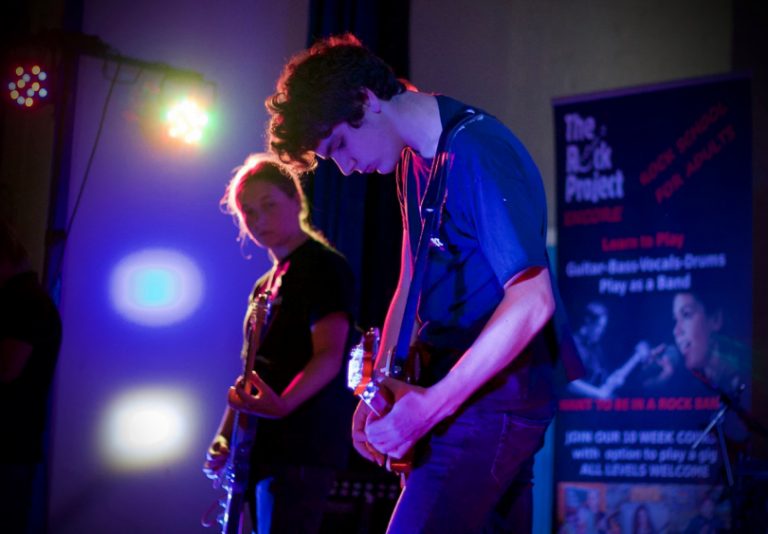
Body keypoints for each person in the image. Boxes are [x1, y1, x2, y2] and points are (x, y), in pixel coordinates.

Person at [265, 33, 583, 533]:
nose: (346, 168)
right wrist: (378, 386)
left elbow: (532, 299)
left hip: (494, 394)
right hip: (468, 388)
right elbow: (410, 277)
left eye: (340, 146)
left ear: (365, 100)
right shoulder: (413, 159)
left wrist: (430, 407)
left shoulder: (478, 150)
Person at [202, 155, 356, 533]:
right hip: (261, 448)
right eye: (248, 212)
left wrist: (282, 405)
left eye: (269, 205)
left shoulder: (323, 267)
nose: (258, 219)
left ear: (296, 201)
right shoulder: (265, 284)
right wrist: (226, 432)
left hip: (302, 446)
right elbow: (252, 373)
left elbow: (329, 356)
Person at [0, 220, 62, 534]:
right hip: (15, 446)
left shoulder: (24, 303)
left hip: (9, 446)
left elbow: (6, 369)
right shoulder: (28, 300)